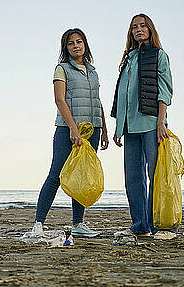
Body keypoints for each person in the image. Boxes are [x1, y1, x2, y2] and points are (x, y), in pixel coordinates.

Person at [31, 28, 109, 237]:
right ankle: (38, 223)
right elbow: (59, 99)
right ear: (66, 48)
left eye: (79, 41)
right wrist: (73, 128)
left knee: (82, 176)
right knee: (56, 175)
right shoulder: (62, 69)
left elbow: (97, 100)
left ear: (85, 44)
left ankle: (78, 224)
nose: (76, 45)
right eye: (71, 43)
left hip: (92, 129)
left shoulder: (92, 71)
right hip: (67, 130)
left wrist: (104, 130)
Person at [111, 13, 174, 239]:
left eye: (143, 26)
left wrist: (161, 121)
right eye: (135, 26)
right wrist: (119, 126)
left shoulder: (159, 55)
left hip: (150, 123)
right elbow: (123, 95)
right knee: (133, 178)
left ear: (150, 29)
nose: (139, 29)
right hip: (130, 126)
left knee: (156, 174)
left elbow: (165, 90)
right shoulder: (128, 58)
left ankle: (160, 226)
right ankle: (140, 225)